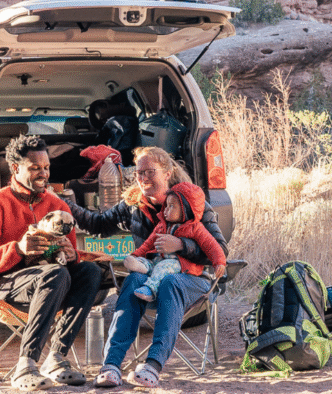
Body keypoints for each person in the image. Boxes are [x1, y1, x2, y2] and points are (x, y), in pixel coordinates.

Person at [64, 146, 228, 388]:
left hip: (190, 278)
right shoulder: (133, 204)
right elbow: (97, 224)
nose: (142, 178)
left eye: (149, 172)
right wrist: (67, 205)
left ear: (168, 172)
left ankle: (152, 366)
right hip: (150, 277)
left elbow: (220, 250)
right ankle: (111, 366)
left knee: (171, 283)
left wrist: (181, 245)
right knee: (132, 281)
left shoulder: (191, 203)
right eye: (138, 173)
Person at [0, 135, 102, 392]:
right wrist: (17, 249)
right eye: (35, 168)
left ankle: (57, 358)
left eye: (46, 167)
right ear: (16, 169)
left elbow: (70, 258)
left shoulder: (59, 206)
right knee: (55, 275)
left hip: (49, 285)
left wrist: (73, 256)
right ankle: (25, 366)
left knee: (90, 271)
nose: (44, 174)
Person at [124, 181, 226, 303]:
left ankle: (150, 289)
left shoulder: (195, 228)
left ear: (185, 208)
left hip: (179, 264)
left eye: (171, 206)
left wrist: (219, 262)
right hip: (160, 259)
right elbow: (148, 244)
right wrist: (136, 255)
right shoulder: (162, 226)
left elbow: (212, 246)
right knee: (152, 262)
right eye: (166, 205)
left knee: (163, 268)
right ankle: (142, 266)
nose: (166, 210)